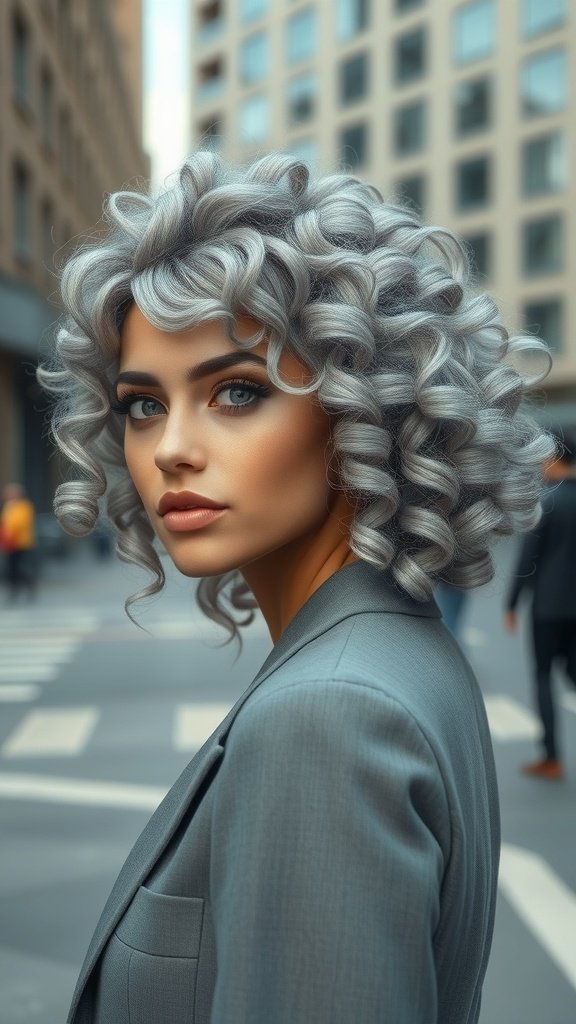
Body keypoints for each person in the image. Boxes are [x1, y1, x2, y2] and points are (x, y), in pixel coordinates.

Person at [38, 152, 553, 1024]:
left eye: (236, 392)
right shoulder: (401, 646)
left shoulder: (332, 714)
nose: (170, 449)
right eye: (142, 404)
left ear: (364, 407)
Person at [504, 432, 576, 780]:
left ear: (553, 458)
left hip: (547, 606)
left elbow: (527, 560)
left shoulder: (547, 501)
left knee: (543, 675)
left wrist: (512, 603)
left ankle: (551, 757)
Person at [0, 483, 37, 601]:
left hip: (22, 543)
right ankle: (13, 592)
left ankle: (29, 590)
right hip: (9, 544)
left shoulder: (25, 506)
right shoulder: (8, 506)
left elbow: (21, 523)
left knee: (23, 568)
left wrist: (10, 532)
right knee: (11, 569)